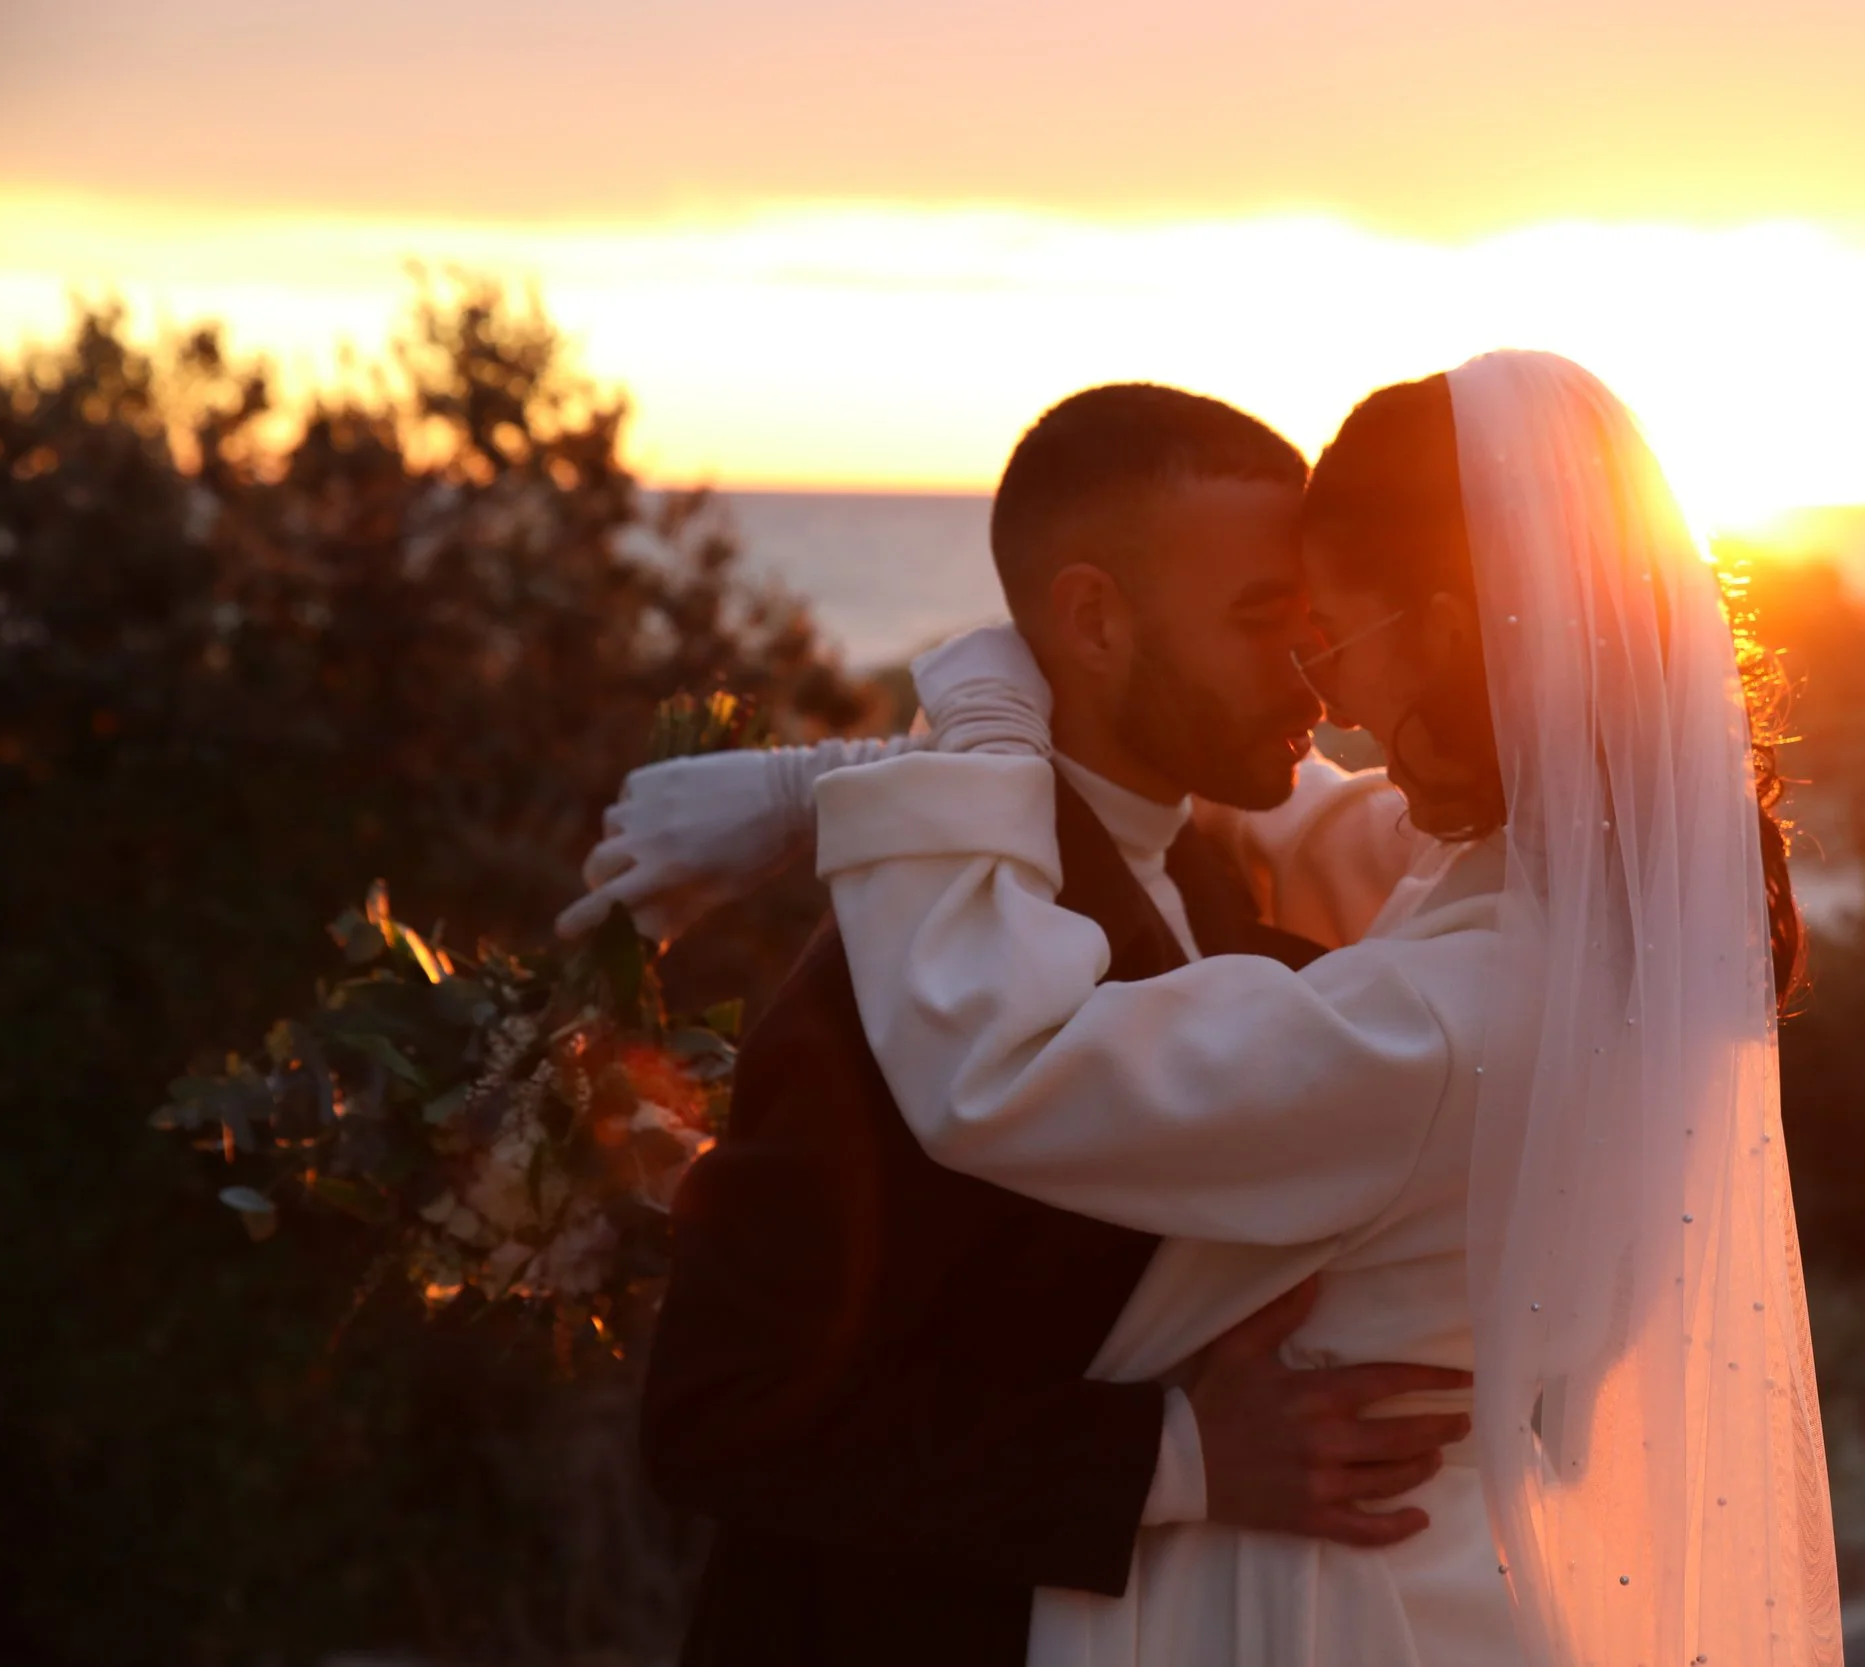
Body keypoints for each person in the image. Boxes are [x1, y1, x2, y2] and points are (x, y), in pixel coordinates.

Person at [804, 352, 1842, 1665]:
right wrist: (825, 778)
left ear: (1453, 629)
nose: (1326, 695)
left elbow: (1002, 1062)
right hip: (1444, 1576)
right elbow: (1351, 834)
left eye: (1336, 634)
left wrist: (980, 729)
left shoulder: (1450, 1018)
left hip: (1314, 1608)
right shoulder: (1615, 909)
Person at [569, 384, 1473, 1667]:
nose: (1316, 675)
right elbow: (723, 1412)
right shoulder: (905, 970)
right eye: (1265, 621)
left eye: (1320, 621)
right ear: (1094, 620)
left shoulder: (1215, 869)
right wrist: (1178, 1456)